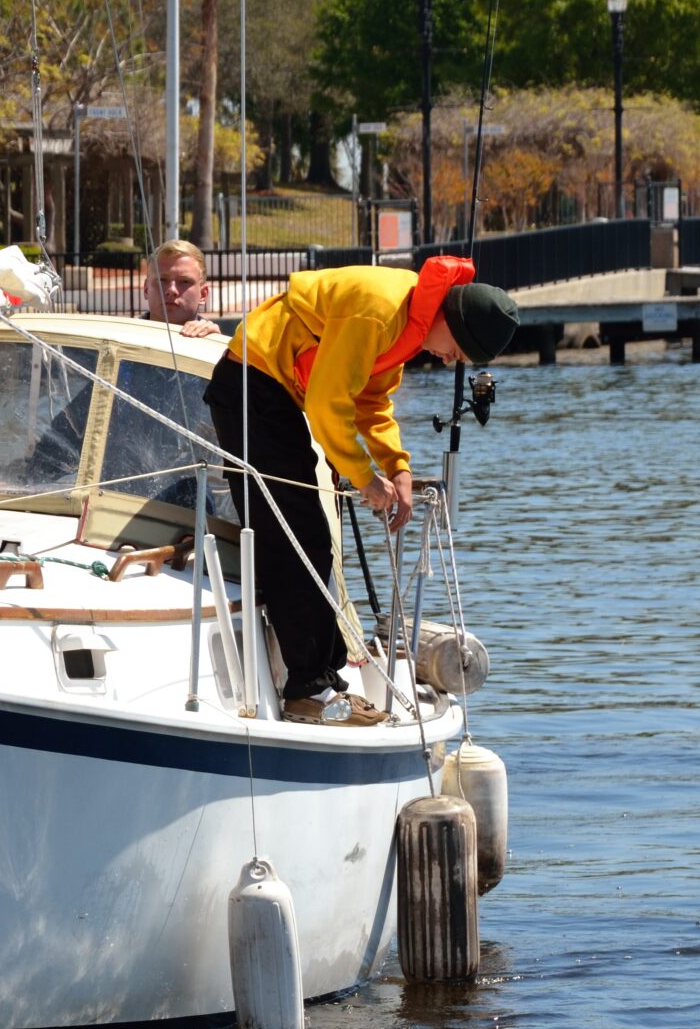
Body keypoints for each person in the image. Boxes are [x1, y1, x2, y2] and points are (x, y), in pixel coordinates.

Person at [207, 257, 519, 726]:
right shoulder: (380, 311)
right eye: (460, 350)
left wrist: (398, 468)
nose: (453, 360)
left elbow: (370, 402)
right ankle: (309, 693)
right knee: (298, 535)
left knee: (311, 540)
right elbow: (328, 405)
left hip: (274, 391)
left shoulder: (408, 325)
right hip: (252, 385)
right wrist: (364, 477)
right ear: (449, 322)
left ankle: (324, 683)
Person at [143, 239, 221, 337]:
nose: (172, 290)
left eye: (184, 281)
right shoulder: (123, 339)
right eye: (161, 280)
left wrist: (218, 345)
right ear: (146, 289)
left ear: (203, 294)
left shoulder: (218, 346)